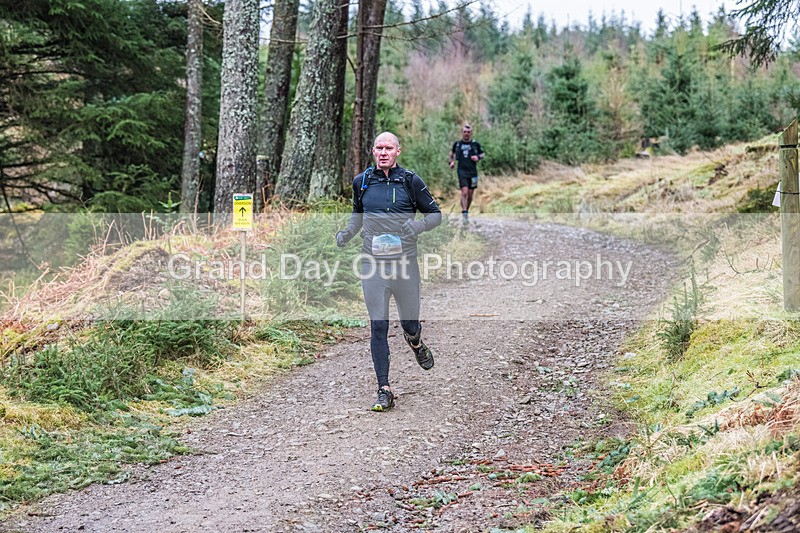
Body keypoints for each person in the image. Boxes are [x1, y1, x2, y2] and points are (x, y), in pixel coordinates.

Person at [336, 132, 442, 411]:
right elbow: (357, 214)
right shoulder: (362, 182)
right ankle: (384, 389)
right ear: (373, 151)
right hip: (373, 264)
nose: (383, 152)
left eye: (389, 148)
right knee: (378, 325)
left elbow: (435, 214)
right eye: (379, 148)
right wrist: (347, 233)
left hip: (405, 264)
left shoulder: (410, 181)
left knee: (409, 323)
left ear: (398, 151)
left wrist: (417, 227)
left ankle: (416, 342)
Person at [449, 123, 485, 223]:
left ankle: (466, 210)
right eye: (465, 132)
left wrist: (478, 157)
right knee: (464, 192)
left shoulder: (475, 144)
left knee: (470, 195)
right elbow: (452, 153)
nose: (466, 134)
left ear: (471, 133)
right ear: (462, 133)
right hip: (461, 172)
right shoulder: (457, 144)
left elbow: (482, 154)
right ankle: (465, 213)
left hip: (473, 173)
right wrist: (451, 162)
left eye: (468, 132)